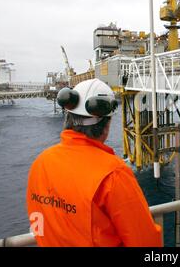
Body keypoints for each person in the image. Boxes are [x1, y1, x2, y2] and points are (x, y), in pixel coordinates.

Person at [26, 79, 162, 247]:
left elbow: (39, 223)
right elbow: (145, 242)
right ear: (106, 125)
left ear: (68, 115)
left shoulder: (40, 163)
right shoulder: (112, 174)